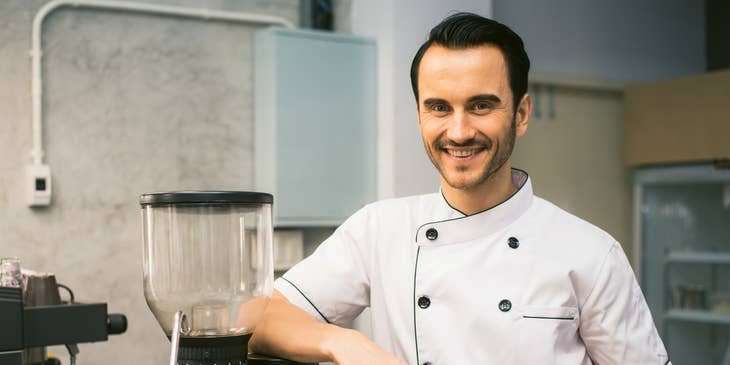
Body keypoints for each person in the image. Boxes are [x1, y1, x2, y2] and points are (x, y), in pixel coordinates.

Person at [250, 12, 670, 365]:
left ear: (521, 114)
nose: (459, 130)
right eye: (439, 107)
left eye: (481, 105)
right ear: (419, 114)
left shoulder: (591, 254)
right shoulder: (379, 230)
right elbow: (261, 317)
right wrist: (342, 342)